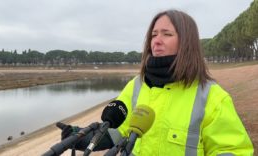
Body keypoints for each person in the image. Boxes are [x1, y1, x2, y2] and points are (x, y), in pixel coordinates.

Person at [61, 10, 254, 155]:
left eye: (166, 34)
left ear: (187, 42)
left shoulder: (212, 96)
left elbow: (233, 150)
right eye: (154, 35)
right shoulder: (136, 85)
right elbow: (119, 131)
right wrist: (84, 137)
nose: (157, 41)